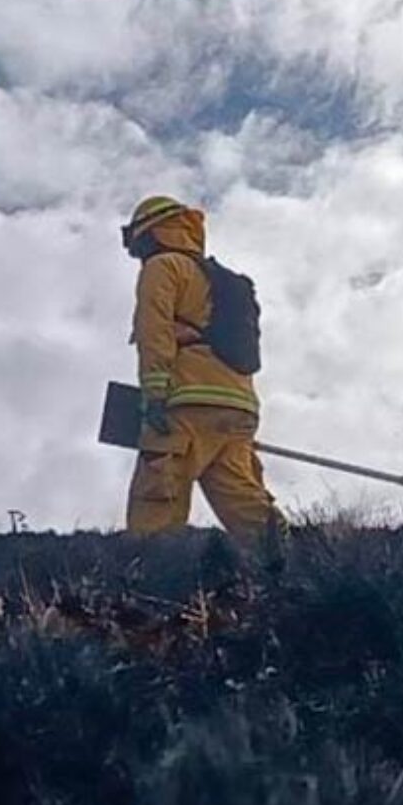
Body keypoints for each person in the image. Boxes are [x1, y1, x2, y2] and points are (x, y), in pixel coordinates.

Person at [120, 195, 282, 544]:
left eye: (136, 247)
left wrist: (155, 397)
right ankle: (292, 561)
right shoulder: (220, 282)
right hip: (239, 407)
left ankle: (151, 580)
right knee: (243, 498)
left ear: (151, 234)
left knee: (157, 498)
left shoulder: (163, 267)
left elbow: (155, 333)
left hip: (186, 404)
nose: (137, 256)